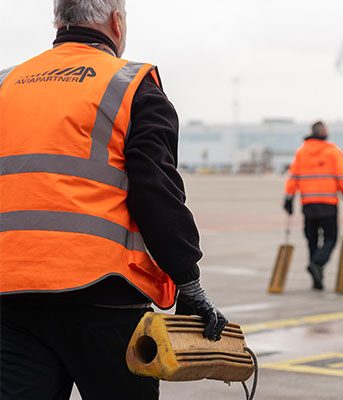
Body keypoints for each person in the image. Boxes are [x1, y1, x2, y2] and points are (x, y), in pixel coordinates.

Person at [0, 1, 227, 399]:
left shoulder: (6, 83)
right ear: (116, 22)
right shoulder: (130, 84)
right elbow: (156, 194)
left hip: (11, 293)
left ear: (57, 21)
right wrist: (189, 284)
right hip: (100, 292)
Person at [284, 121, 343, 290]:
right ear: (324, 132)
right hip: (328, 204)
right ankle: (317, 264)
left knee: (312, 241)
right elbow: (342, 178)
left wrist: (288, 199)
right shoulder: (333, 152)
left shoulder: (301, 153)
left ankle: (317, 279)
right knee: (331, 238)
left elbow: (293, 178)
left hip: (308, 204)